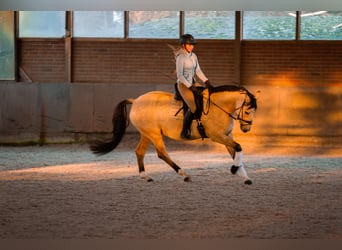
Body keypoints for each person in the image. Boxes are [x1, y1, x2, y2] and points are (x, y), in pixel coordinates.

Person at [176, 34, 211, 139]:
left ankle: (200, 124)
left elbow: (198, 70)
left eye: (192, 44)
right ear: (183, 45)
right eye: (189, 44)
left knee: (205, 97)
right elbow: (180, 75)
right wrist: (189, 87)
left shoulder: (194, 56)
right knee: (193, 107)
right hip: (183, 84)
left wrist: (206, 80)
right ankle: (184, 131)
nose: (192, 46)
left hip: (193, 82)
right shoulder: (180, 57)